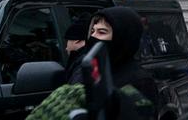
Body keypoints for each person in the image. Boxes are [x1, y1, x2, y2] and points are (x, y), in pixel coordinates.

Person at [29, 7, 158, 120]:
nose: (93, 37)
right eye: (92, 31)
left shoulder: (140, 81)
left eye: (102, 32)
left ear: (122, 37)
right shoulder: (85, 68)